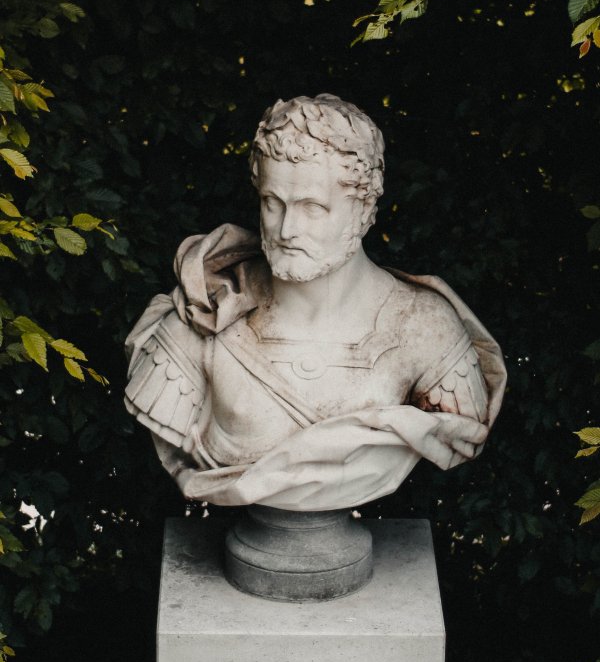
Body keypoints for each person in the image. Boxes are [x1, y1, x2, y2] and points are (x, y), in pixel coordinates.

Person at [125, 94, 506, 510]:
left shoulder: (425, 329)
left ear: (364, 210)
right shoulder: (199, 320)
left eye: (312, 208)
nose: (287, 229)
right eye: (273, 204)